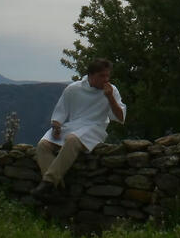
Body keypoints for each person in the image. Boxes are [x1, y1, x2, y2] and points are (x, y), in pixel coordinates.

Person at [31, 58, 126, 199]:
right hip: (73, 126)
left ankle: (48, 182)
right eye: (102, 76)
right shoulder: (74, 88)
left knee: (72, 140)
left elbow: (120, 117)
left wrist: (110, 97)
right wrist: (56, 124)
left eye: (107, 75)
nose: (106, 79)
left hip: (95, 127)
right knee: (43, 145)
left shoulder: (112, 90)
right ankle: (57, 190)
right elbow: (61, 111)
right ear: (91, 75)